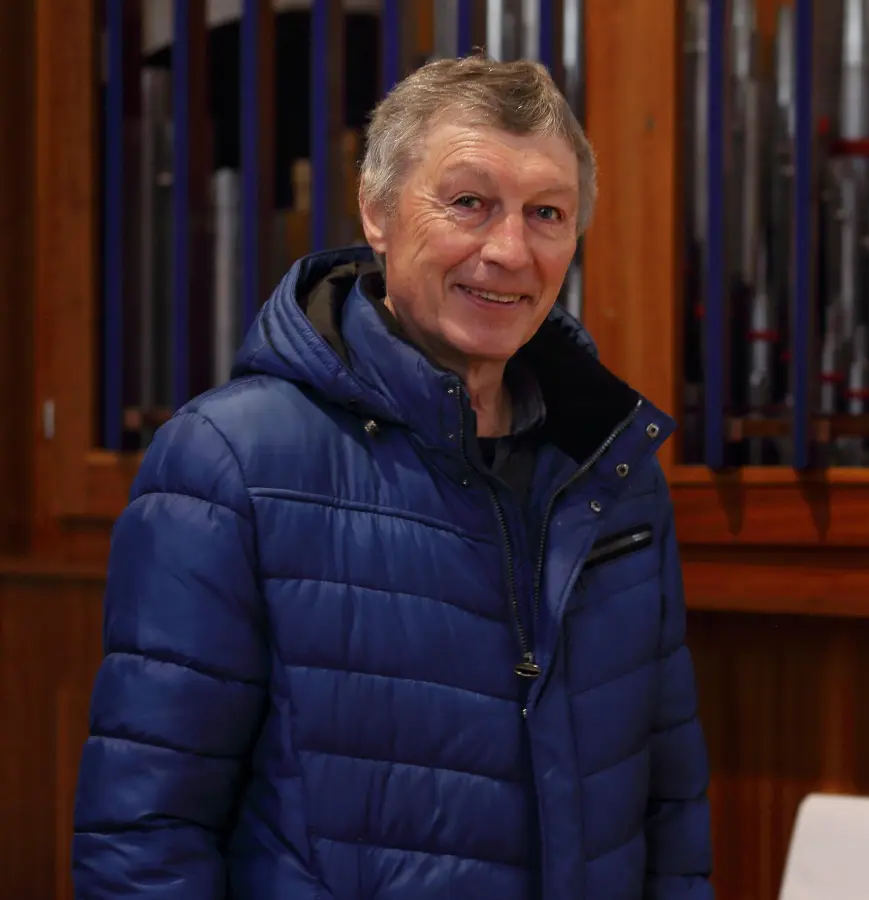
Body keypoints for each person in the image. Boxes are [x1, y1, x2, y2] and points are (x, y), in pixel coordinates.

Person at [70, 56, 713, 899]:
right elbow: (144, 835)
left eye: (546, 213)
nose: (509, 250)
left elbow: (669, 813)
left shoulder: (614, 468)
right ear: (376, 211)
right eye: (469, 203)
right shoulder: (229, 462)